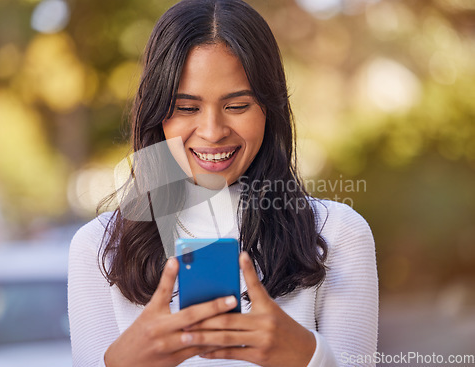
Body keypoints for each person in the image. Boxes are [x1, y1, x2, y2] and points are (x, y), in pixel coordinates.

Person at [67, 0, 379, 366]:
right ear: (156, 114)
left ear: (269, 110)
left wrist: (307, 356)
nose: (213, 132)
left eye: (237, 105)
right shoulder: (99, 248)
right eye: (186, 108)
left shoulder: (338, 233)